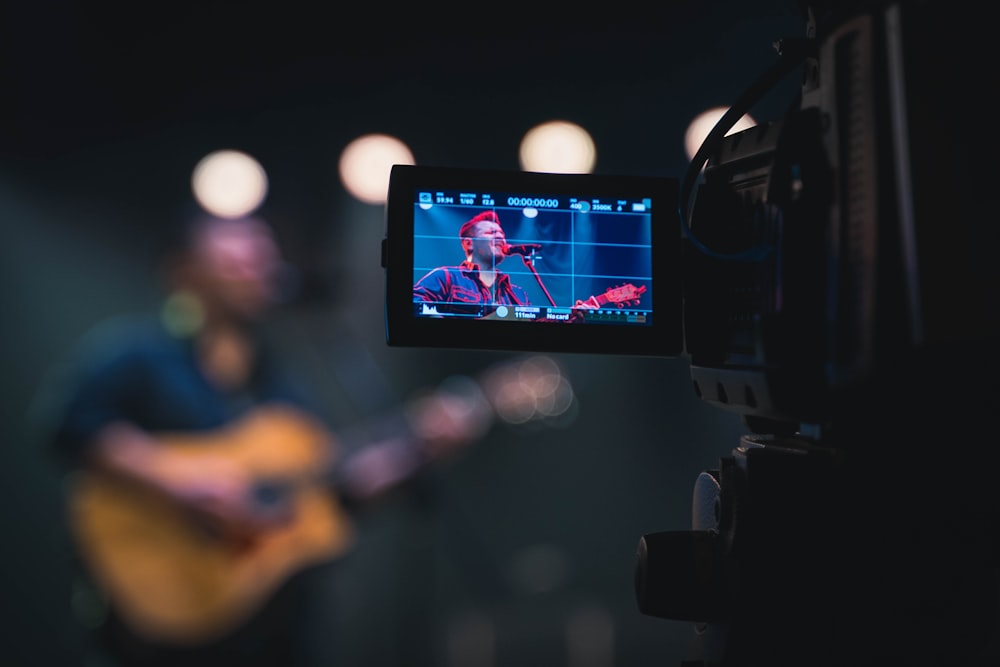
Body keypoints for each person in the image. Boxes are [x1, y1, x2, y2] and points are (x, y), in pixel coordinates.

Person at [41, 213, 486, 667]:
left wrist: (421, 449)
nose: (258, 263)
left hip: (276, 629)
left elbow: (335, 493)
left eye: (263, 254)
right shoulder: (139, 356)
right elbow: (71, 425)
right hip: (163, 620)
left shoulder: (284, 382)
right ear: (185, 272)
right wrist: (182, 486)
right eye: (237, 255)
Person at [413, 210, 531, 317]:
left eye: (502, 234)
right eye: (491, 233)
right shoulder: (446, 276)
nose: (500, 237)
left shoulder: (518, 294)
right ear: (469, 243)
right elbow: (415, 302)